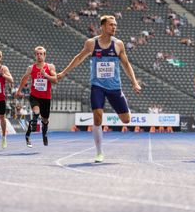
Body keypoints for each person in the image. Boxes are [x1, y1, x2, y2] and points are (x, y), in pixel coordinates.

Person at [57, 15, 141, 163]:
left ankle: (124, 105)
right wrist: (64, 72)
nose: (114, 27)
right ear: (102, 26)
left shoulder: (118, 44)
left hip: (114, 87)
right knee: (97, 116)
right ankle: (99, 152)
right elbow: (78, 58)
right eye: (111, 25)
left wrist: (134, 82)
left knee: (126, 120)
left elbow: (126, 65)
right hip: (98, 86)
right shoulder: (91, 43)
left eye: (115, 25)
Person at [16, 46, 58, 148]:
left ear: (44, 55)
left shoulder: (50, 67)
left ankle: (44, 133)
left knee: (45, 120)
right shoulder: (31, 68)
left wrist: (46, 75)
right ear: (35, 55)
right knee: (35, 113)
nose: (39, 56)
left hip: (46, 98)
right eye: (37, 54)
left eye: (41, 54)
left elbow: (55, 80)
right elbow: (24, 79)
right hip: (35, 96)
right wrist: (19, 90)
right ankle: (28, 135)